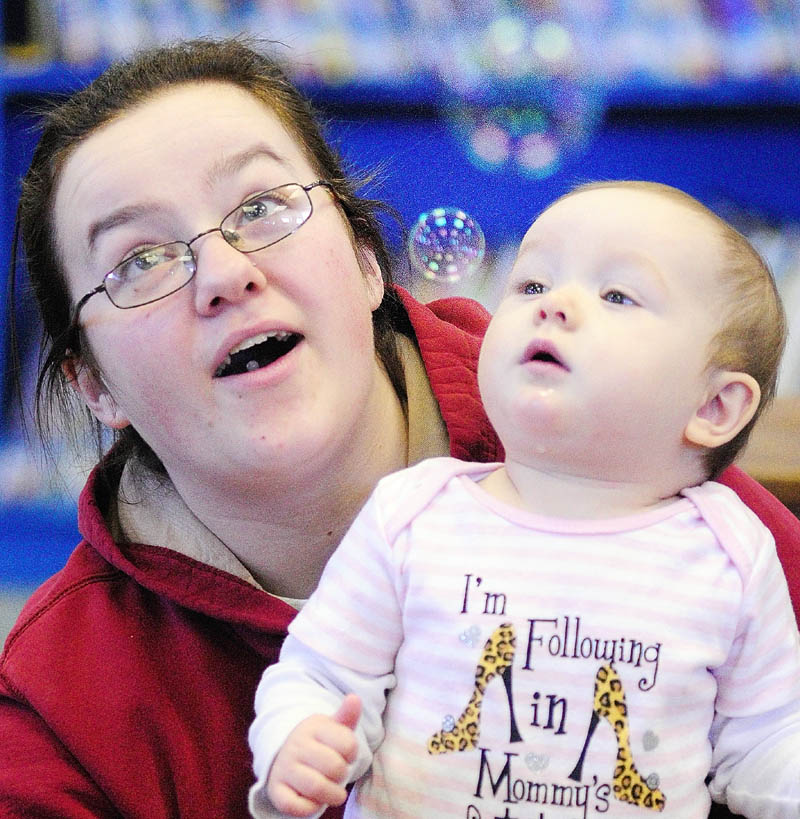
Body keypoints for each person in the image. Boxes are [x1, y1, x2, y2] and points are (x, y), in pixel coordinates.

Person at [0, 38, 795, 819]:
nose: (225, 274)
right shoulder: (60, 692)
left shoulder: (596, 437)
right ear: (94, 383)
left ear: (367, 260)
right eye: (138, 261)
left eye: (261, 206)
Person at [249, 181, 800, 819]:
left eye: (618, 295)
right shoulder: (415, 514)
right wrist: (298, 738)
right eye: (532, 285)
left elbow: (765, 739)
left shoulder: (730, 552)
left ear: (713, 406)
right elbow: (319, 673)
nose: (555, 306)